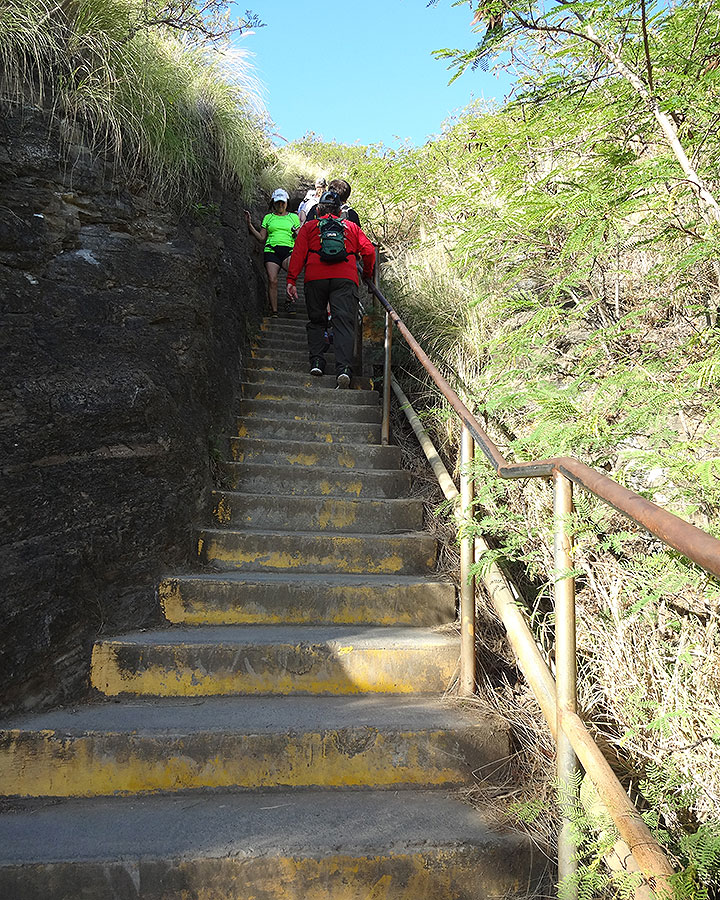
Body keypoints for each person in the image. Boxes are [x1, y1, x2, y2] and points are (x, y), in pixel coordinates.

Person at [286, 190, 375, 388]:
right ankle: (343, 369)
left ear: (318, 210)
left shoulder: (309, 227)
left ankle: (317, 362)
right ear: (340, 210)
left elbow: (298, 254)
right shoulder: (351, 227)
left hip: (315, 278)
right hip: (345, 277)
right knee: (343, 323)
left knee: (317, 321)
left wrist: (291, 280)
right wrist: (367, 274)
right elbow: (369, 251)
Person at [245, 188, 300, 316]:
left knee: (293, 274)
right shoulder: (268, 218)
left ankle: (289, 301)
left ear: (287, 202)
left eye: (282, 202)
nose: (280, 205)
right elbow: (261, 237)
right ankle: (274, 310)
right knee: (272, 280)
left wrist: (297, 233)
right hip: (272, 250)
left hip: (289, 250)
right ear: (273, 203)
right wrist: (249, 224)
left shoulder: (293, 217)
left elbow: (300, 236)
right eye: (277, 202)